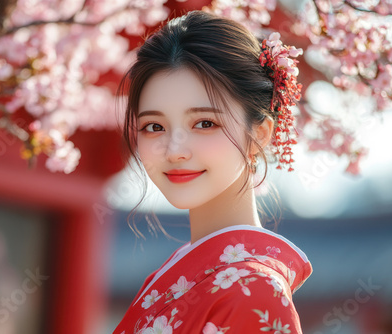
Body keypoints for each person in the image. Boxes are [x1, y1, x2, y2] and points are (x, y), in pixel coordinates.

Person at [114, 10, 312, 334]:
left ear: (259, 134)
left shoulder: (255, 292)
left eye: (205, 123)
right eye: (154, 126)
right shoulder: (172, 277)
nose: (175, 149)